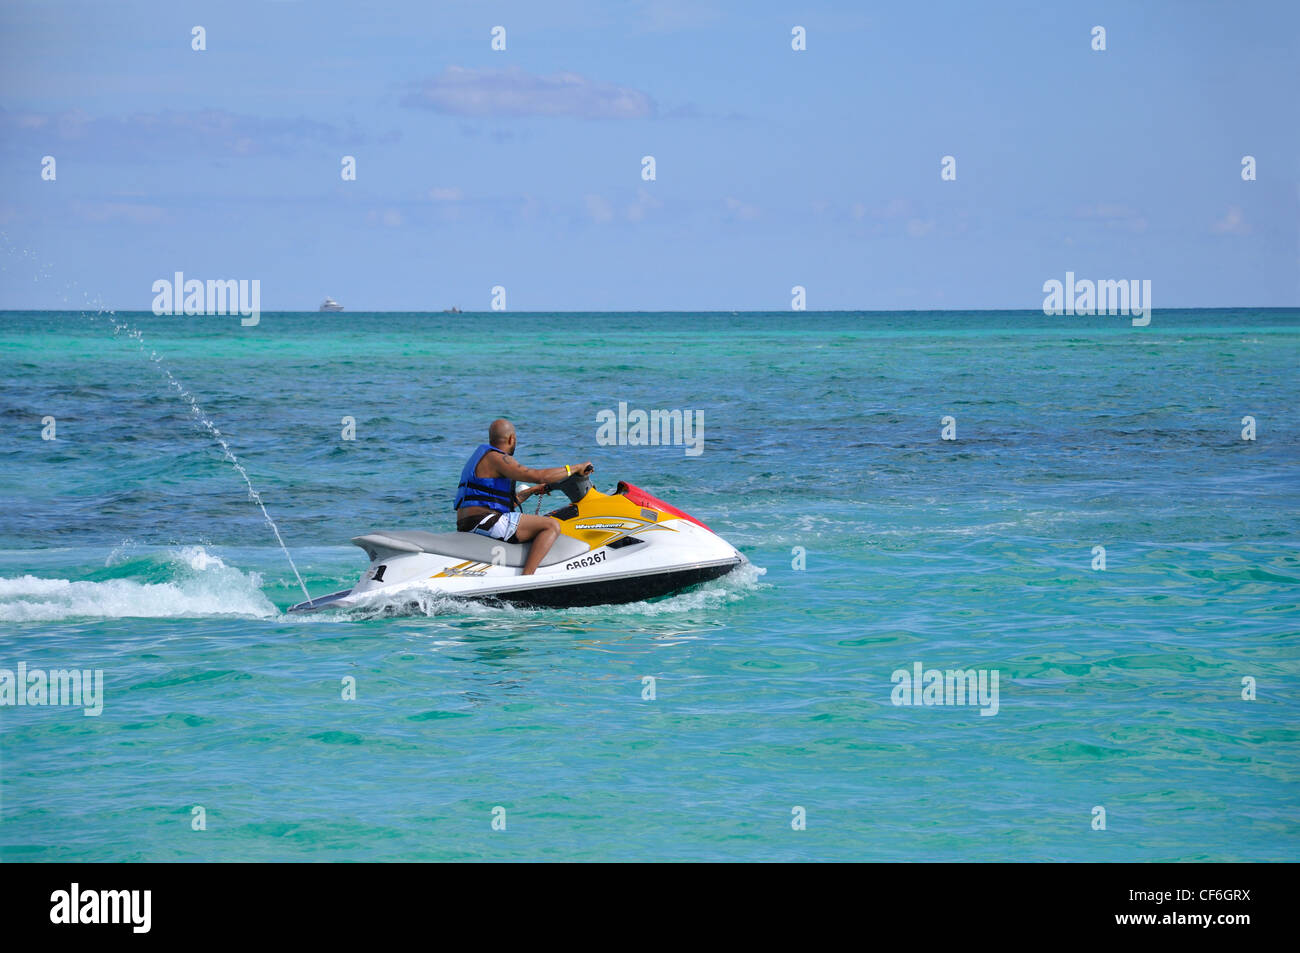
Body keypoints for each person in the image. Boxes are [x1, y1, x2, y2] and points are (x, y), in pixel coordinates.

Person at [454, 419, 593, 576]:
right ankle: (527, 577)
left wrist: (531, 491)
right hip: (487, 522)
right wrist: (576, 468)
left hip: (470, 522)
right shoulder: (498, 458)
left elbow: (496, 502)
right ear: (511, 438)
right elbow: (539, 476)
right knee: (551, 526)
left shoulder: (480, 458)